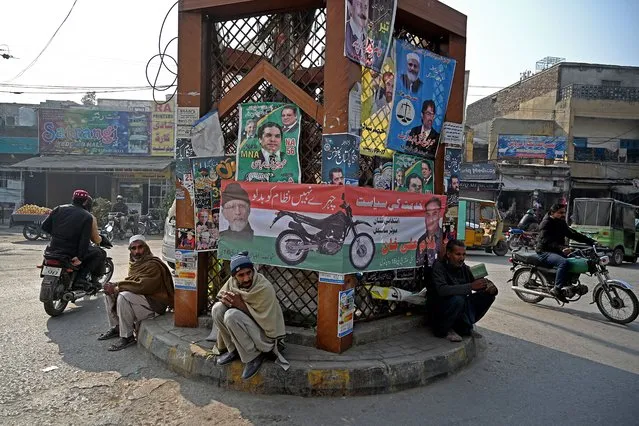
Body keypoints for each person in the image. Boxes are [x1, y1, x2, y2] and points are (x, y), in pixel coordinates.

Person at [212, 252, 288, 379]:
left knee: (231, 315)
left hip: (265, 337)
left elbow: (264, 322)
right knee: (217, 309)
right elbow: (223, 298)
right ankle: (234, 350)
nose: (246, 278)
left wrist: (240, 304)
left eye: (249, 273)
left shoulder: (264, 287)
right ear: (234, 277)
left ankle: (254, 356)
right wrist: (227, 302)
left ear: (253, 271)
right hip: (246, 329)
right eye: (241, 275)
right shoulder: (232, 283)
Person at [98, 235, 174, 351]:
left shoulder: (153, 264)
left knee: (123, 296)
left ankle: (127, 337)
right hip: (141, 301)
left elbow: (144, 286)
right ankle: (117, 327)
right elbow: (132, 282)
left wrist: (118, 287)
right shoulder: (134, 264)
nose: (137, 251)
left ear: (146, 248)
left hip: (154, 305)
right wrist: (114, 287)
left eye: (140, 247)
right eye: (133, 248)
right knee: (109, 292)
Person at [430, 239, 498, 342]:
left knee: (487, 297)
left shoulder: (464, 268)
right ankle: (446, 329)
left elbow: (478, 282)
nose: (462, 258)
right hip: (442, 309)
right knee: (458, 299)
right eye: (458, 254)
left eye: (463, 254)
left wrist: (489, 288)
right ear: (448, 254)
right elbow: (442, 290)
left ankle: (464, 328)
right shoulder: (439, 267)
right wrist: (471, 286)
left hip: (459, 307)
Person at [41, 189, 105, 288]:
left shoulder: (58, 209)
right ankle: (81, 278)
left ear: (73, 199)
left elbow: (44, 226)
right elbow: (84, 239)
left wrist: (57, 235)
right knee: (99, 253)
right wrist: (80, 257)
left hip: (52, 248)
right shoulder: (87, 216)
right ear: (85, 201)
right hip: (71, 252)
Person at [535, 203, 596, 302]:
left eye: (564, 212)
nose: (563, 214)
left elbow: (573, 234)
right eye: (560, 212)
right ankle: (557, 288)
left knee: (578, 258)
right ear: (552, 212)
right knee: (563, 262)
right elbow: (545, 241)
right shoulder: (546, 223)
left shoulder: (561, 223)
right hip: (545, 251)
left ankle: (569, 283)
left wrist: (591, 241)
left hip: (557, 250)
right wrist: (561, 247)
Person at [416, 197, 443, 267]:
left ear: (439, 215)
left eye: (434, 214)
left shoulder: (444, 237)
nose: (430, 220)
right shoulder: (421, 240)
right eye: (428, 214)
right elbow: (418, 263)